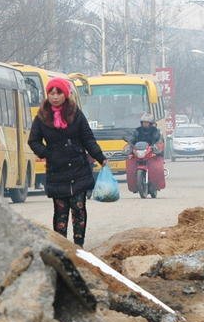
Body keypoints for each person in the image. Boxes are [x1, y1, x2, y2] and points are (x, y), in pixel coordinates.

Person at [27, 77, 107, 247]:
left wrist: (101, 158)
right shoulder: (42, 117)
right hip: (57, 171)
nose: (55, 96)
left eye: (58, 92)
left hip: (78, 168)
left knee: (79, 208)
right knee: (60, 211)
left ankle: (79, 246)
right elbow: (33, 141)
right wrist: (47, 153)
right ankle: (61, 247)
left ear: (66, 94)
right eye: (51, 93)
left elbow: (88, 139)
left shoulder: (76, 114)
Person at [123, 113, 166, 194]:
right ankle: (134, 185)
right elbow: (133, 138)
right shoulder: (137, 130)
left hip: (151, 151)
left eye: (147, 122)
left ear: (151, 123)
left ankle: (155, 182)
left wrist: (156, 146)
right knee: (131, 160)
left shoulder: (155, 131)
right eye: (143, 122)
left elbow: (158, 140)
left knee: (156, 163)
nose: (145, 124)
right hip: (139, 150)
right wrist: (130, 143)